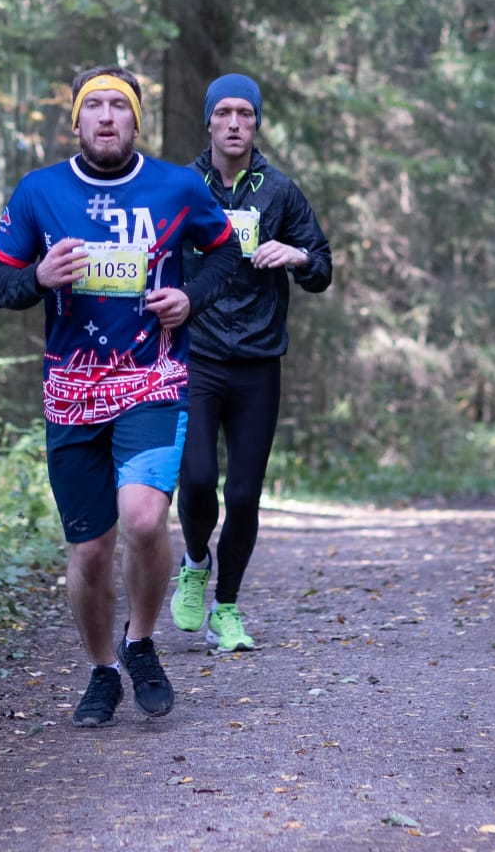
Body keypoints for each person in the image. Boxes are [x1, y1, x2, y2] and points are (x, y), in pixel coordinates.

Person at [0, 66, 241, 728]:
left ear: (135, 121)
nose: (106, 117)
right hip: (71, 391)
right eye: (94, 106)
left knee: (145, 520)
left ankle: (142, 642)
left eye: (118, 106)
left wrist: (190, 297)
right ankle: (103, 670)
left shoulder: (177, 187)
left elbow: (225, 255)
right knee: (91, 550)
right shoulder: (40, 191)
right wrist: (38, 276)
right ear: (76, 121)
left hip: (152, 378)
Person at [171, 73, 333, 652]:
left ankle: (227, 608)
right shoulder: (181, 186)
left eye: (245, 113)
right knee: (196, 481)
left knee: (243, 494)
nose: (235, 123)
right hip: (196, 355)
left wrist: (297, 255)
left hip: (259, 361)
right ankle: (195, 561)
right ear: (209, 121)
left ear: (257, 122)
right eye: (225, 113)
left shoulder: (280, 190)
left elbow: (322, 266)